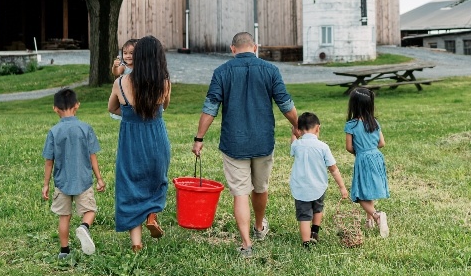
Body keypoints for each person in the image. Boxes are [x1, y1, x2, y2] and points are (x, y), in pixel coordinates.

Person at [192, 31, 299, 258]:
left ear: (232, 49)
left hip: (234, 143)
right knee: (260, 187)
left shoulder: (222, 72)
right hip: (263, 141)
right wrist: (298, 127)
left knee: (240, 193)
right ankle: (259, 227)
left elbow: (210, 107)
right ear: (255, 47)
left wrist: (199, 138)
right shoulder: (271, 70)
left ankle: (246, 244)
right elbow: (285, 103)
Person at [107, 35, 172, 251]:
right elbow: (164, 108)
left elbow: (112, 108)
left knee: (129, 186)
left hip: (130, 140)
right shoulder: (164, 83)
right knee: (157, 180)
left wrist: (128, 114)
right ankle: (151, 216)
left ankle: (136, 243)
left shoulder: (120, 83)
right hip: (156, 138)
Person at [42, 87, 106, 259]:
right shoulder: (86, 129)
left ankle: (64, 251)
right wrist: (99, 179)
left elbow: (49, 161)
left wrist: (46, 184)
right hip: (83, 180)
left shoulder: (54, 132)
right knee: (90, 210)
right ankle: (84, 227)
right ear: (77, 105)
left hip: (62, 182)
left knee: (64, 217)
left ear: (55, 108)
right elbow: (92, 156)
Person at [289, 112, 349, 248]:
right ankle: (314, 232)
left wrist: (293, 134)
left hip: (300, 188)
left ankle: (306, 243)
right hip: (318, 187)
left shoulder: (297, 145)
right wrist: (342, 187)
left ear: (299, 129)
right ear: (318, 128)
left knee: (304, 216)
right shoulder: (323, 147)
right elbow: (333, 169)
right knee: (318, 208)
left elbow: (292, 146)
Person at [344, 87, 390, 238]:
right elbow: (382, 143)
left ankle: (377, 215)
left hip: (363, 158)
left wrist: (361, 152)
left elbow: (349, 147)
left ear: (353, 105)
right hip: (377, 157)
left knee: (359, 194)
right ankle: (369, 220)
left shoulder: (351, 125)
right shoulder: (374, 122)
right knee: (369, 187)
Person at [110, 38, 138, 120]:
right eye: (125, 53)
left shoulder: (140, 67)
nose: (128, 56)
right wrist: (115, 66)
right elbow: (116, 72)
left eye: (131, 53)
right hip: (126, 91)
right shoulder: (124, 66)